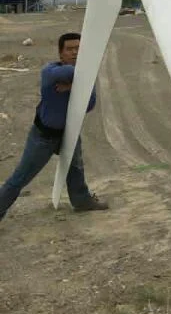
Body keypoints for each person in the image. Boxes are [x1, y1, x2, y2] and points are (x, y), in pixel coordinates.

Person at [0, 32, 108, 221]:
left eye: (78, 49)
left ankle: (81, 200)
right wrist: (81, 79)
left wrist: (73, 86)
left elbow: (90, 104)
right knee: (20, 178)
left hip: (69, 132)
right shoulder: (50, 72)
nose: (75, 52)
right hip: (44, 137)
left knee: (75, 169)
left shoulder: (84, 76)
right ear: (60, 54)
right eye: (70, 49)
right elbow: (67, 73)